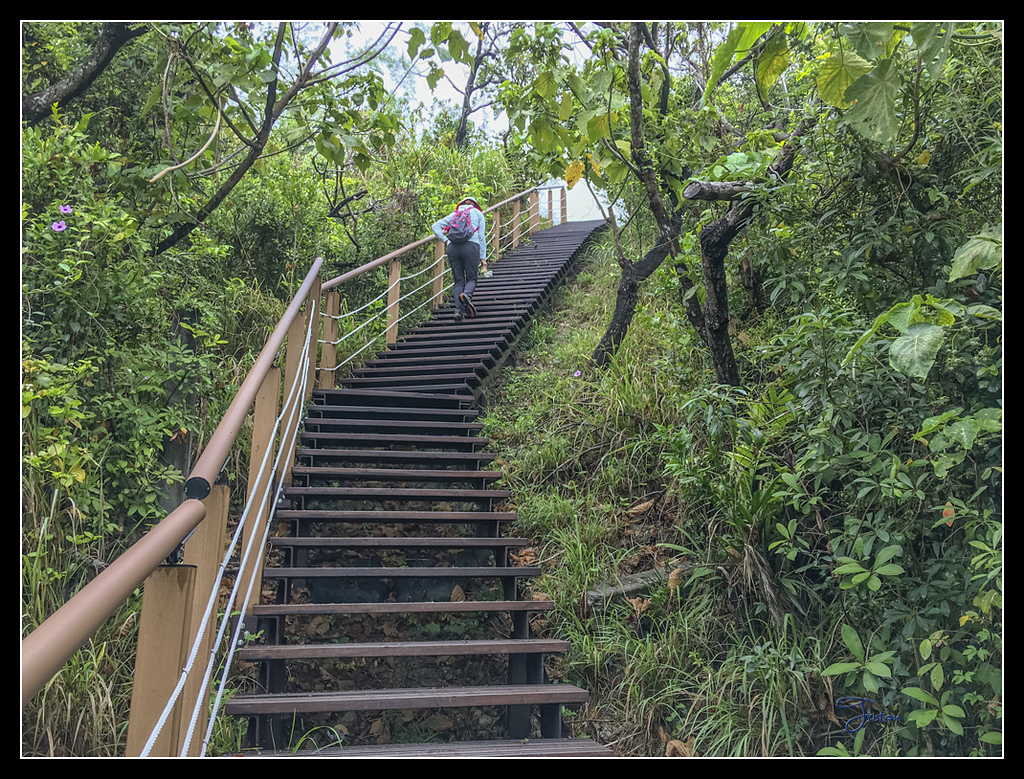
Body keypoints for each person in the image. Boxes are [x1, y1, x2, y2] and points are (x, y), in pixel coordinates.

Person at [432, 196, 487, 321]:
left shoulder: (455, 214)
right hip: (471, 247)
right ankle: (466, 295)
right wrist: (483, 257)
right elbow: (481, 236)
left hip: (453, 248)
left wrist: (447, 241)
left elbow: (435, 226)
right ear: (475, 205)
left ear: (461, 204)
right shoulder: (478, 214)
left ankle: (458, 311)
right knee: (471, 278)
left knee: (458, 281)